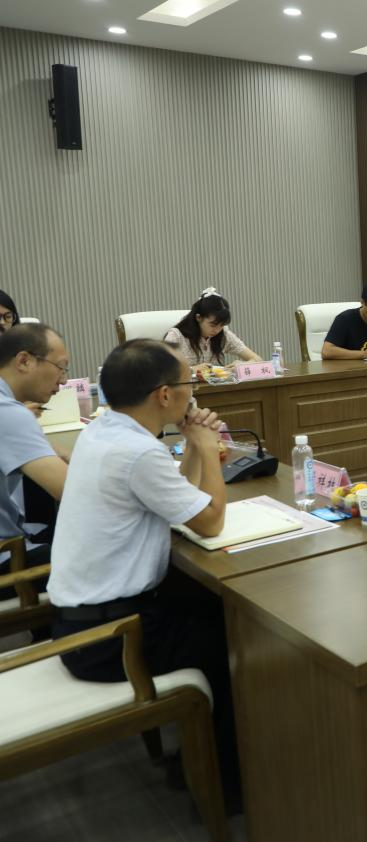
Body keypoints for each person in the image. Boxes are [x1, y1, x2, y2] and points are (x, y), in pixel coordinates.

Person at [45, 339, 238, 795]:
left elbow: (177, 500)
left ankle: (200, 754)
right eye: (189, 383)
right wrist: (208, 447)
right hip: (109, 639)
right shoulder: (137, 452)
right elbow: (211, 521)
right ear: (164, 394)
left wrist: (194, 449)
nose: (193, 392)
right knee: (237, 646)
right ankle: (218, 782)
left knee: (213, 606)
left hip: (82, 621)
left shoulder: (103, 431)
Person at [0, 324, 70, 597]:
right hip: (7, 556)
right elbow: (71, 490)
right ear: (24, 361)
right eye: (60, 368)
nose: (63, 380)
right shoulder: (9, 412)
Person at [163, 287, 262, 376]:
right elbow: (162, 370)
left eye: (221, 325)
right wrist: (192, 370)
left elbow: (257, 359)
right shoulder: (176, 336)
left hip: (213, 387)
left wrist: (242, 366)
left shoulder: (224, 335)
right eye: (213, 325)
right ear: (198, 317)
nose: (217, 330)